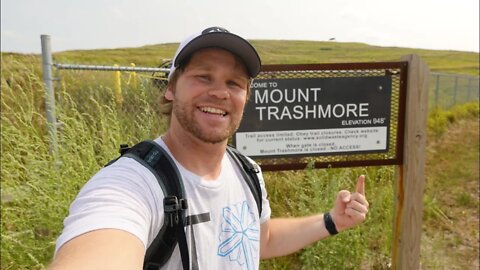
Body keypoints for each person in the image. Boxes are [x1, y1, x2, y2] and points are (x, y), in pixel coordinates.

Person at [50, 26, 369, 270]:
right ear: (172, 88)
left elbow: (261, 239)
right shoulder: (131, 185)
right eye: (204, 77)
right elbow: (101, 245)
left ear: (246, 97)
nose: (220, 92)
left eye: (234, 83)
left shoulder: (247, 171)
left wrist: (332, 221)